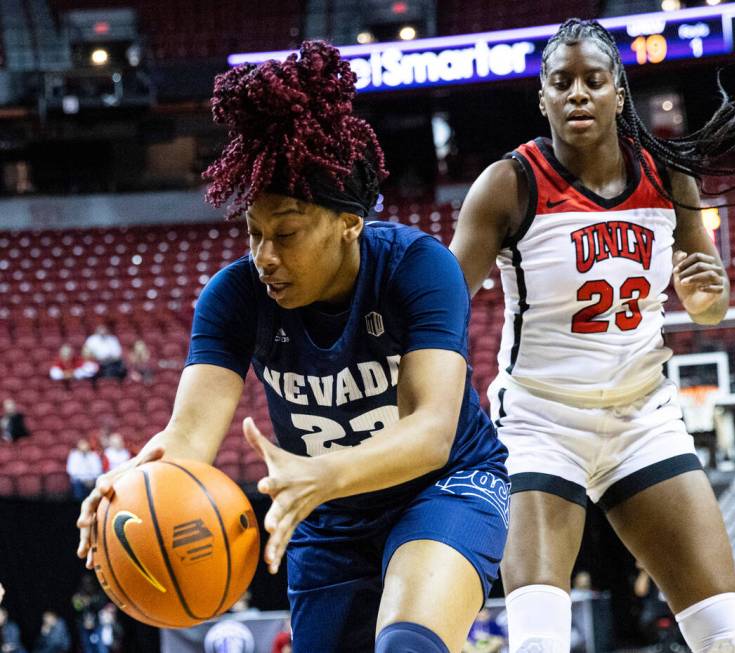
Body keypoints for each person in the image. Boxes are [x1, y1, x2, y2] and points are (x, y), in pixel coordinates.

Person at [76, 41, 509, 653]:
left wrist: (321, 473)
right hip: (330, 514)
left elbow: (432, 432)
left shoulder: (417, 267)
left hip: (444, 484)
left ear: (348, 221)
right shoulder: (232, 298)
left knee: (408, 643)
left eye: (286, 233)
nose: (265, 256)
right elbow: (189, 441)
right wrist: (129, 484)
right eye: (254, 233)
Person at [449, 18, 735, 653]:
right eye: (561, 82)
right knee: (539, 642)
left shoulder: (669, 174)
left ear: (618, 92)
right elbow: (441, 308)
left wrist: (708, 300)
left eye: (593, 81)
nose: (577, 94)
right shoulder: (508, 184)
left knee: (729, 641)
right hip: (541, 424)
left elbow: (708, 307)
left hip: (642, 420)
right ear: (540, 96)